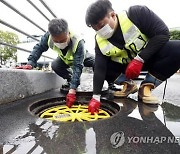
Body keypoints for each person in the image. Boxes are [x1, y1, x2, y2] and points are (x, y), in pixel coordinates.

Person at [85, 0, 180, 114]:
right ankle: (128, 85)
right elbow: (100, 68)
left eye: (101, 26)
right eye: (96, 29)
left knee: (177, 48)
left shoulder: (137, 13)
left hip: (150, 59)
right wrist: (96, 96)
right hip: (125, 68)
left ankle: (146, 87)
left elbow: (163, 33)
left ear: (113, 15)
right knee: (97, 65)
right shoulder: (99, 41)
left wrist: (140, 58)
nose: (100, 31)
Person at [17, 18, 94, 108]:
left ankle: (107, 84)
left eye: (62, 41)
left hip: (82, 58)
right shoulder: (48, 36)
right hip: (64, 59)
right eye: (56, 41)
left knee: (97, 62)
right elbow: (39, 47)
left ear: (68, 33)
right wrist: (30, 63)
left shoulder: (78, 41)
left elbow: (78, 66)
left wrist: (72, 90)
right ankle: (70, 79)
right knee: (55, 65)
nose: (59, 43)